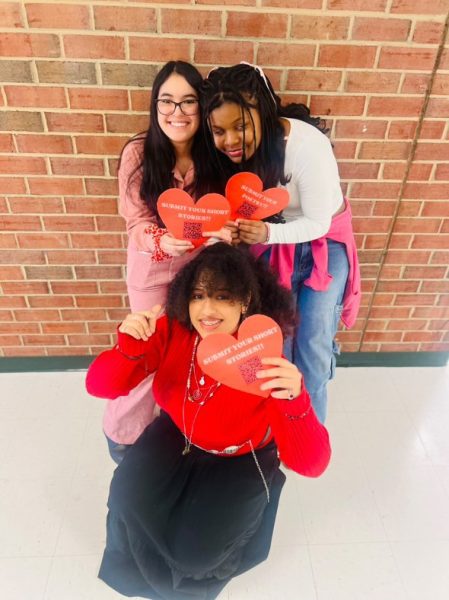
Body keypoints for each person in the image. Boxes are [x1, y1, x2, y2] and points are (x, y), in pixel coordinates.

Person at [86, 243, 331, 600]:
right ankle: (141, 580)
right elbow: (99, 386)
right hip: (177, 436)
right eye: (198, 295)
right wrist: (128, 348)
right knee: (126, 498)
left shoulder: (259, 356)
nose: (207, 309)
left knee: (198, 553)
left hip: (239, 457)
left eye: (223, 296)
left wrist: (295, 401)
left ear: (246, 299)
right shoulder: (173, 330)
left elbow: (312, 465)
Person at [202, 63, 361, 423]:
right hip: (274, 245)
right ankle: (277, 430)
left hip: (325, 247)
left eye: (240, 126)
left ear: (264, 111)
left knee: (313, 349)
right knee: (277, 345)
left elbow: (319, 222)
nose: (230, 140)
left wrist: (269, 233)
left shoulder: (306, 147)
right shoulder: (230, 158)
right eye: (219, 130)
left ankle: (310, 432)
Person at [105, 60, 228, 463]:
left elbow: (223, 217)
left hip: (201, 277)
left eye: (188, 102)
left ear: (202, 106)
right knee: (149, 355)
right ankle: (122, 436)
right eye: (167, 101)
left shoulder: (216, 157)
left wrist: (226, 235)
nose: (177, 112)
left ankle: (174, 437)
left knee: (189, 355)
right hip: (152, 273)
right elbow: (135, 222)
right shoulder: (138, 153)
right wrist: (162, 241)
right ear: (155, 106)